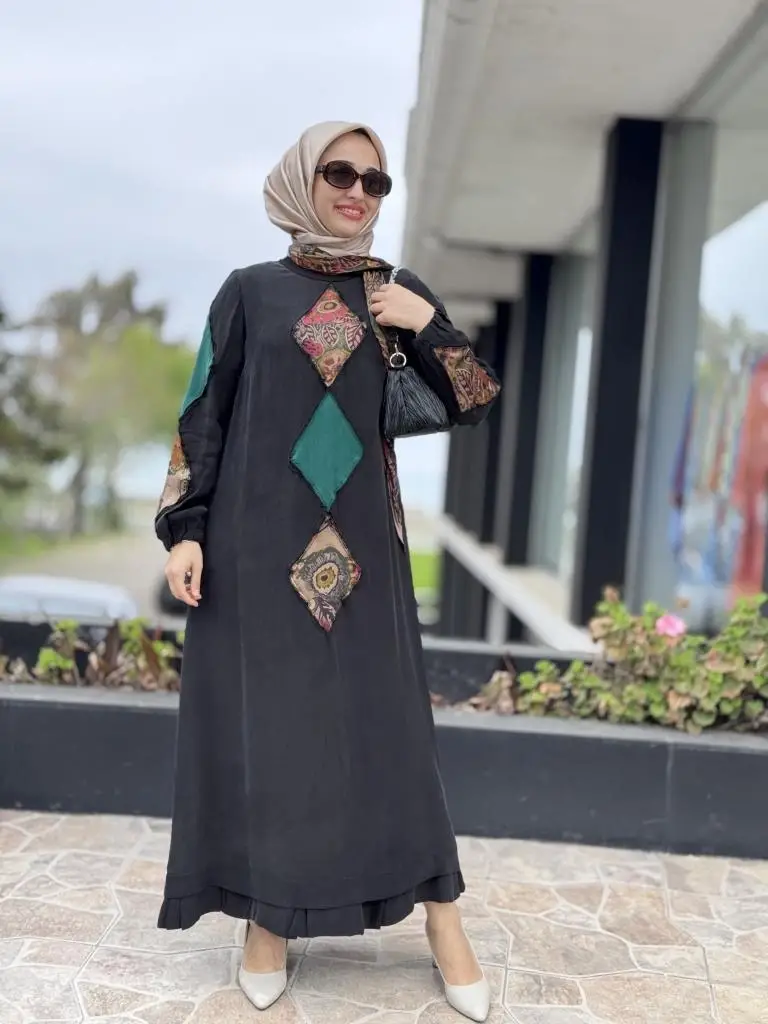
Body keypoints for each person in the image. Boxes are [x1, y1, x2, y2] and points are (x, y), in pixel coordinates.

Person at [154, 121, 501, 1020]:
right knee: (274, 733)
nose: (357, 192)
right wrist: (185, 530)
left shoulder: (395, 289)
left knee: (391, 730)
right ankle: (267, 922)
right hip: (254, 546)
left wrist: (425, 323)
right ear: (301, 181)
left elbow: (473, 397)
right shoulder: (248, 292)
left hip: (367, 552)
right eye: (340, 173)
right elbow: (202, 412)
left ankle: (444, 921)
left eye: (375, 181)